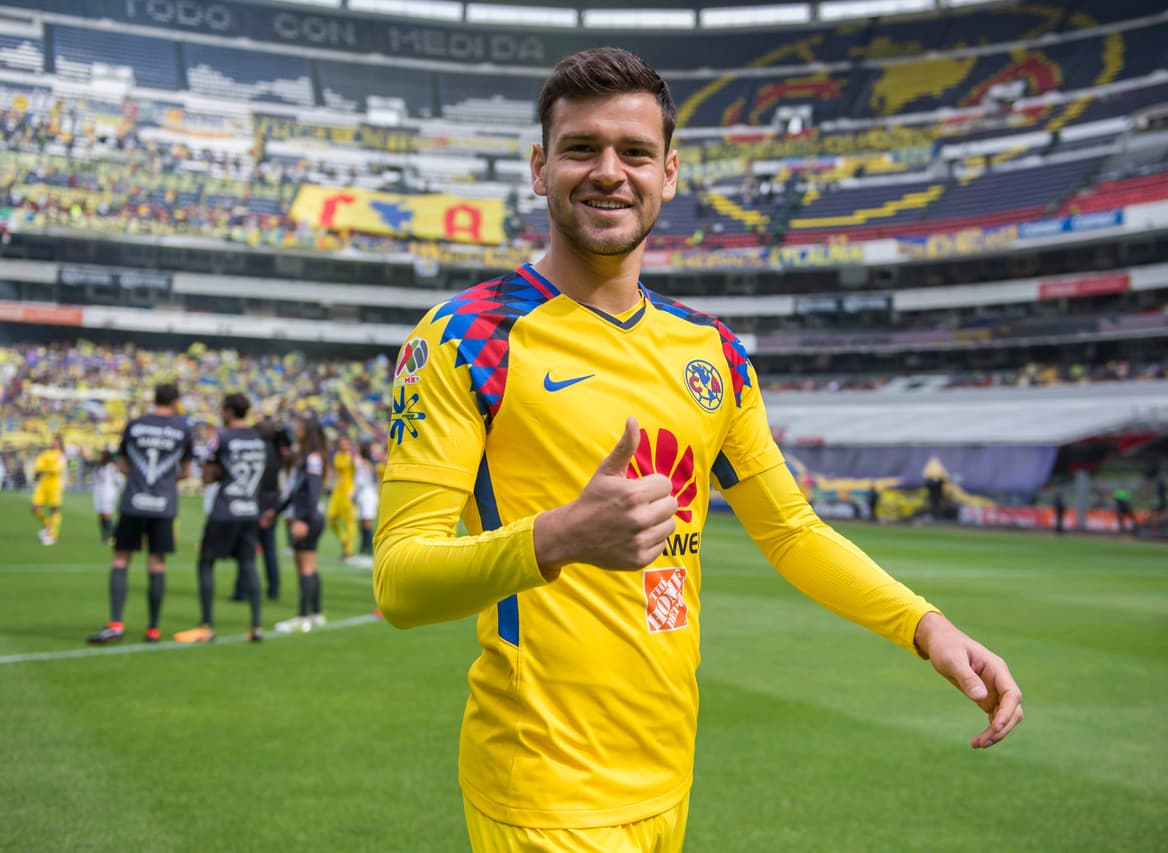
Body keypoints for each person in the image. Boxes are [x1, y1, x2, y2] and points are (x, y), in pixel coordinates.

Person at [374, 47, 1022, 851]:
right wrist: (561, 536)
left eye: (634, 152)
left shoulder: (712, 351)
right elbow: (400, 579)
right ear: (540, 169)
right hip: (543, 787)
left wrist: (927, 626)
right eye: (581, 148)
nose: (608, 171)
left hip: (668, 779)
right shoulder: (466, 337)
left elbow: (792, 530)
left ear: (669, 173)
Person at [88, 382, 195, 645]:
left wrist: (138, 477)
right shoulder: (183, 429)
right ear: (175, 402)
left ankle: (115, 623)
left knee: (120, 560)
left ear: (154, 398)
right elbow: (186, 471)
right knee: (157, 564)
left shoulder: (135, 425)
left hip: (133, 502)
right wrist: (166, 481)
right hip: (163, 505)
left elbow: (122, 463)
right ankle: (153, 629)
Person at [175, 393, 269, 644]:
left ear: (229, 411)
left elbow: (207, 475)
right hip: (250, 509)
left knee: (206, 562)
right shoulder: (258, 440)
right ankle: (256, 626)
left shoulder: (222, 437)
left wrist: (215, 475)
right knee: (248, 564)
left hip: (226, 509)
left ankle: (206, 625)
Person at [274, 416, 327, 634]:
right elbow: (296, 491)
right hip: (310, 516)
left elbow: (312, 492)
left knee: (304, 568)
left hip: (308, 517)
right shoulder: (308, 456)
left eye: (300, 428)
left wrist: (303, 519)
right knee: (311, 566)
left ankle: (303, 617)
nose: (296, 430)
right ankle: (316, 613)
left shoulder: (312, 457)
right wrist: (276, 511)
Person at [232, 415, 292, 603]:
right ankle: (273, 589)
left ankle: (241, 590)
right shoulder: (276, 452)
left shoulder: (256, 452)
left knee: (247, 550)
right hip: (271, 504)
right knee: (269, 550)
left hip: (254, 503)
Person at [326, 434, 357, 561]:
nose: (343, 445)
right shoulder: (337, 456)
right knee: (331, 519)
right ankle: (344, 538)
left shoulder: (352, 457)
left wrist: (353, 491)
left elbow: (358, 474)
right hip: (337, 492)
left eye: (345, 443)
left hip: (348, 492)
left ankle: (348, 550)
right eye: (341, 443)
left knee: (349, 522)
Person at [31, 435, 67, 545]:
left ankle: (53, 535)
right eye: (53, 441)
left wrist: (45, 467)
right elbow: (38, 465)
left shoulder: (62, 456)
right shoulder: (46, 453)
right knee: (35, 507)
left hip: (54, 486)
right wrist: (45, 468)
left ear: (60, 444)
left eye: (56, 442)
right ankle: (47, 525)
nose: (54, 444)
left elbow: (57, 469)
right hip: (43, 485)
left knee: (54, 510)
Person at [353, 441, 380, 565]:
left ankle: (369, 549)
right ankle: (364, 547)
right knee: (362, 522)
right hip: (363, 494)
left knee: (367, 522)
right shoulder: (364, 463)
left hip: (368, 494)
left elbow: (366, 480)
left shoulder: (367, 464)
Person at [91, 448, 123, 544]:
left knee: (106, 514)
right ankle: (104, 536)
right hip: (98, 493)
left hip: (108, 493)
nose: (100, 457)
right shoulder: (99, 467)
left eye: (102, 455)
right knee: (100, 514)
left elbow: (119, 479)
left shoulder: (112, 467)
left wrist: (120, 490)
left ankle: (112, 536)